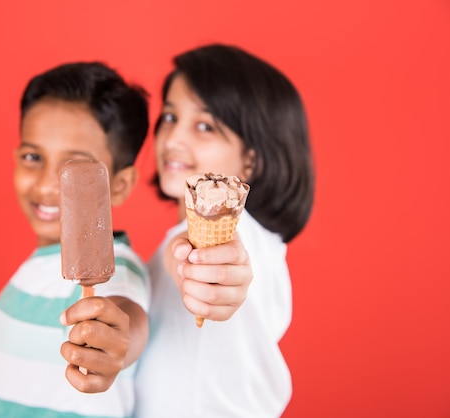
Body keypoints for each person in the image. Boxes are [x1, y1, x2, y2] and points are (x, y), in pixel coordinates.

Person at [132, 44, 315, 417]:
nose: (173, 139)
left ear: (252, 159)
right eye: (169, 117)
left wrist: (200, 268)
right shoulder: (264, 243)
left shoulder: (246, 240)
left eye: (205, 126)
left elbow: (222, 260)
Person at [0, 62, 151, 418]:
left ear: (119, 185)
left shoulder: (117, 271)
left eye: (75, 167)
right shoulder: (40, 266)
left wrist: (115, 344)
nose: (43, 185)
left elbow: (125, 317)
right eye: (32, 157)